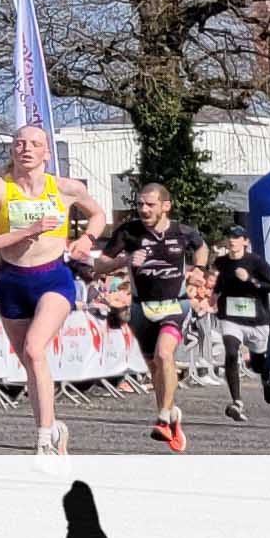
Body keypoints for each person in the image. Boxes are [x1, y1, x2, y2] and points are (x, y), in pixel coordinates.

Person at [0, 121, 105, 457]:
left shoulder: (65, 188)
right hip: (11, 280)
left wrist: (86, 239)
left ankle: (44, 437)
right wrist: (24, 232)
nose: (26, 149)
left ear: (46, 152)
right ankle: (53, 426)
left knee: (34, 348)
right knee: (30, 362)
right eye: (19, 143)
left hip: (53, 277)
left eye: (34, 144)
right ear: (12, 150)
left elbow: (98, 214)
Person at [101, 181, 205, 452]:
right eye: (139, 204)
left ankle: (162, 417)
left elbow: (201, 246)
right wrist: (124, 261)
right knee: (156, 367)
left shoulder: (181, 231)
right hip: (141, 308)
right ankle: (170, 415)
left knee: (164, 355)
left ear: (165, 206)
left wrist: (200, 269)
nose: (144, 209)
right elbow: (98, 264)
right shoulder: (128, 232)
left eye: (150, 204)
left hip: (175, 304)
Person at [203, 227, 270, 420]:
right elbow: (221, 283)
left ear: (245, 241)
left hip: (257, 320)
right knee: (230, 352)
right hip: (231, 318)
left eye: (237, 237)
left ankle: (266, 377)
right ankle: (237, 402)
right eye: (230, 237)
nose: (232, 241)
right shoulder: (221, 262)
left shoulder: (256, 262)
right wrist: (213, 300)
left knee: (257, 364)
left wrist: (251, 280)